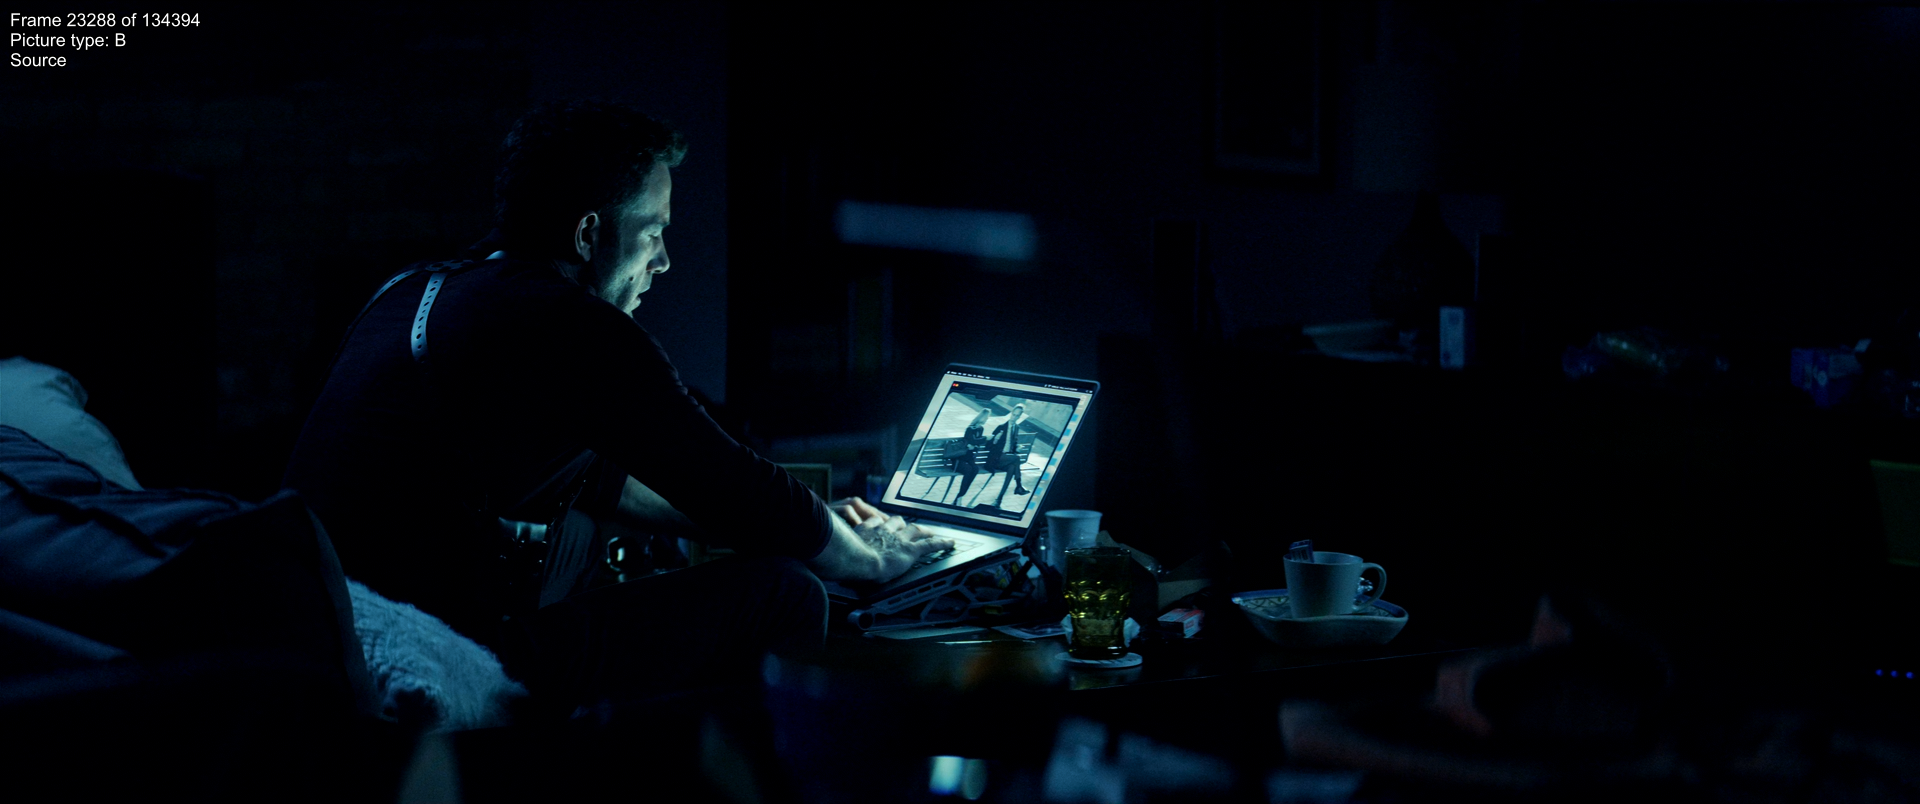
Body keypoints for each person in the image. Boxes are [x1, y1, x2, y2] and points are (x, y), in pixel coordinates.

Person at [282, 100, 952, 715]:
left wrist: (811, 524)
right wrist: (871, 562)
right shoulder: (569, 326)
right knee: (787, 591)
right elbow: (729, 482)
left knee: (594, 520)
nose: (664, 261)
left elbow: (617, 482)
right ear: (588, 235)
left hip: (319, 636)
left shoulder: (415, 291)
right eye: (653, 232)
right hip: (434, 655)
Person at [983, 403, 1032, 506]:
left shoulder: (1016, 428)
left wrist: (1017, 447)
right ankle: (1019, 485)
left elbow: (1013, 444)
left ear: (1019, 416)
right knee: (1017, 458)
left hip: (1006, 459)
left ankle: (999, 500)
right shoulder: (1001, 427)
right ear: (1011, 413)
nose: (1014, 417)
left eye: (1017, 416)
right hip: (996, 459)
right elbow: (988, 446)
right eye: (1013, 414)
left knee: (1012, 468)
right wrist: (995, 440)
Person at [946, 408, 990, 504]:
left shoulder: (980, 429)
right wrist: (984, 439)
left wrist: (975, 445)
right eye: (986, 417)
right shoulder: (970, 429)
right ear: (981, 417)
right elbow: (971, 441)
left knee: (975, 469)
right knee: (969, 470)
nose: (987, 419)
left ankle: (960, 496)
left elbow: (975, 445)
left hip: (969, 458)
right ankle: (959, 498)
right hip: (959, 459)